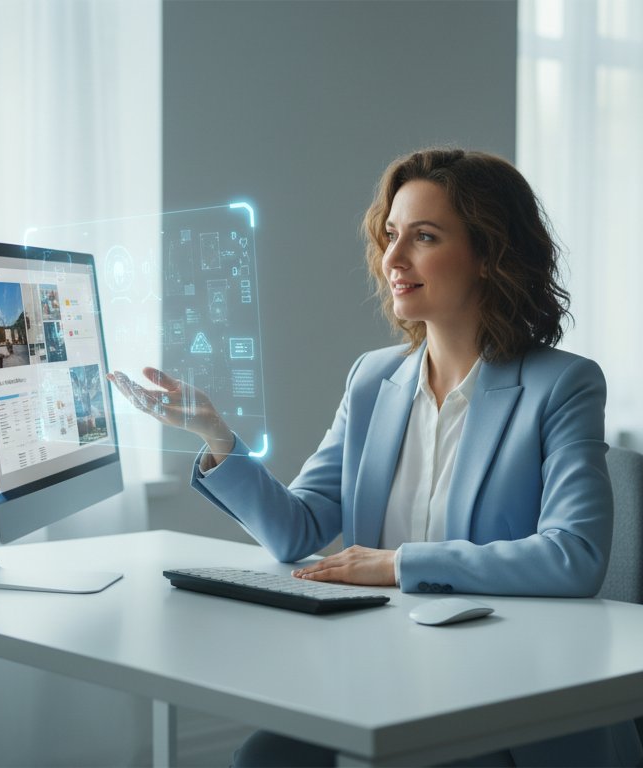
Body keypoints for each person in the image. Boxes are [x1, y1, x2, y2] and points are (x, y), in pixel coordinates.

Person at [110, 148, 642, 766]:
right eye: (391, 235)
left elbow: (571, 558)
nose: (392, 259)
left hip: (512, 695)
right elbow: (298, 528)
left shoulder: (564, 385)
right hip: (386, 676)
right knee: (263, 759)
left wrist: (397, 565)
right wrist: (217, 438)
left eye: (424, 236)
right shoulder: (372, 380)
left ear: (490, 254)